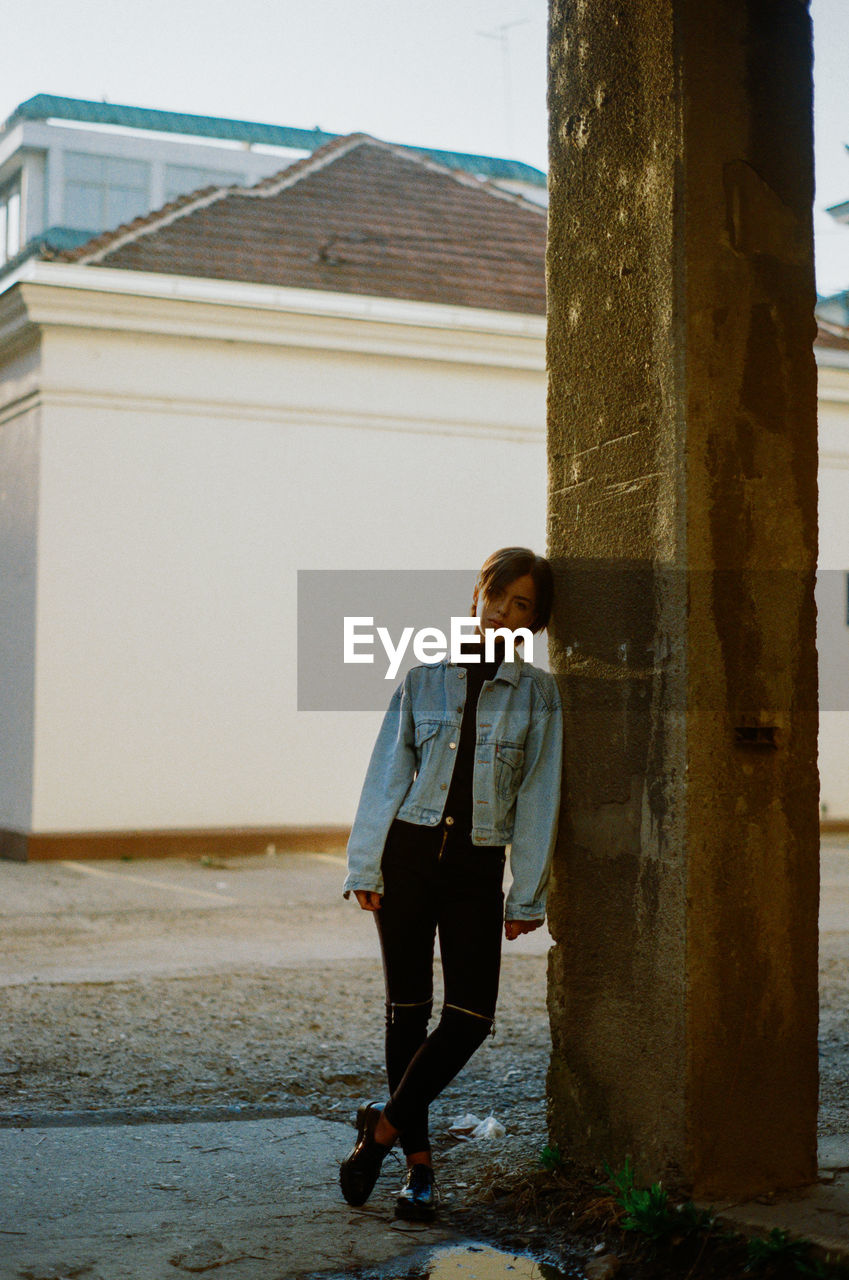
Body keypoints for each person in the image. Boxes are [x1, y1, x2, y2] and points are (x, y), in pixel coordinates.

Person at [339, 546, 562, 1222]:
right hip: (406, 855)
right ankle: (418, 1167)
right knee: (406, 1012)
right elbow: (386, 775)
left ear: (533, 620)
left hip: (474, 867)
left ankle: (380, 1128)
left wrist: (527, 894)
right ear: (476, 597)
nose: (502, 612)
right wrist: (363, 865)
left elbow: (538, 798)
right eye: (496, 596)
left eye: (520, 604)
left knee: (470, 1016)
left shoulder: (537, 696)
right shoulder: (422, 680)